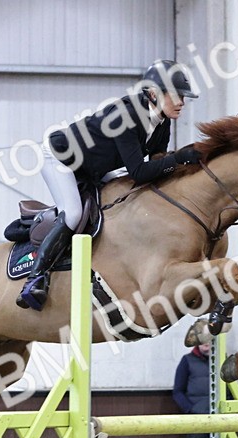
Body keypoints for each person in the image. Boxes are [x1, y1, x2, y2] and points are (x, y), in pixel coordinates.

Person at [17, 59, 201, 310]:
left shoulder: (162, 121)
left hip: (95, 166)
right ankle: (35, 278)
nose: (181, 102)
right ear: (153, 93)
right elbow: (139, 171)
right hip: (61, 158)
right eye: (176, 95)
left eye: (183, 96)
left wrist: (182, 166)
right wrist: (178, 160)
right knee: (73, 214)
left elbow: (157, 161)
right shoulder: (125, 116)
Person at [173, 341, 211, 438]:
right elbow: (178, 392)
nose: (206, 343)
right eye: (202, 340)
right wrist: (191, 410)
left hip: (219, 419)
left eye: (209, 339)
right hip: (197, 420)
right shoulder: (187, 361)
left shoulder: (222, 361)